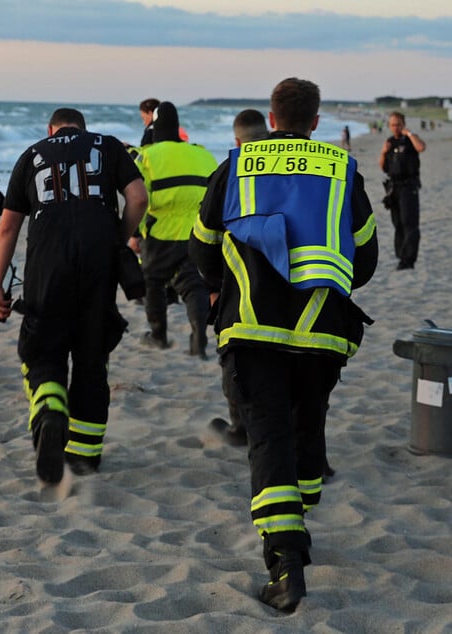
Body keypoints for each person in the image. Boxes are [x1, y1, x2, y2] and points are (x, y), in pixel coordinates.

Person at [189, 77, 378, 612]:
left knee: (268, 437)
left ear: (272, 119)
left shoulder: (236, 166)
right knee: (307, 423)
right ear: (315, 121)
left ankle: (285, 564)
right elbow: (365, 258)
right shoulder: (342, 169)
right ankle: (300, 509)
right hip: (322, 328)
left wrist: (224, 281)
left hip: (252, 325)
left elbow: (201, 246)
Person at [0, 107, 148, 483]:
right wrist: (118, 237)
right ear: (83, 129)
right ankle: (85, 456)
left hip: (47, 265)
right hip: (98, 265)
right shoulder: (108, 146)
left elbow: (8, 228)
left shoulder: (32, 154)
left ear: (51, 129)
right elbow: (139, 198)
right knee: (93, 356)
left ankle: (49, 411)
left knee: (43, 348)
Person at [133, 101, 218, 358]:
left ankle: (158, 336)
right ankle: (199, 339)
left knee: (154, 283)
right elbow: (216, 194)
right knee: (194, 286)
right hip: (196, 234)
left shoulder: (146, 157)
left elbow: (139, 199)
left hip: (160, 234)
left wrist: (134, 234)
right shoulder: (203, 154)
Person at [208, 108, 270, 445]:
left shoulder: (229, 171)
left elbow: (204, 240)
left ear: (236, 140)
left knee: (234, 352)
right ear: (269, 129)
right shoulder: (299, 167)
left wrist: (213, 286)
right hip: (299, 283)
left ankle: (239, 428)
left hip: (241, 283)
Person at [379, 111, 426, 270]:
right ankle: (401, 255)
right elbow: (383, 167)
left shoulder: (410, 140)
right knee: (397, 223)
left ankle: (408, 259)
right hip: (394, 187)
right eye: (393, 125)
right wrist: (383, 152)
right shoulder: (389, 142)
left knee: (409, 223)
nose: (396, 127)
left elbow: (421, 148)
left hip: (409, 186)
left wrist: (410, 133)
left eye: (398, 124)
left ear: (403, 124)